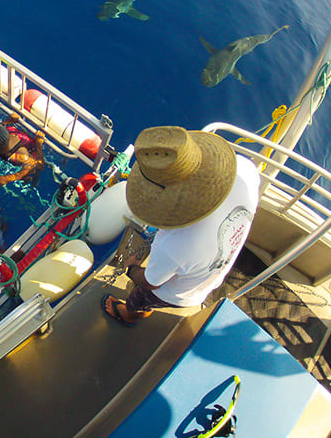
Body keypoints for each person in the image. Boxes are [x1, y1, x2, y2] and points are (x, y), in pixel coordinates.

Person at [101, 125, 260, 326]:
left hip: (176, 294)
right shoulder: (244, 170)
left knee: (138, 299)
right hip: (210, 277)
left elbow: (150, 282)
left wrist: (131, 268)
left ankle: (130, 314)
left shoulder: (175, 245)